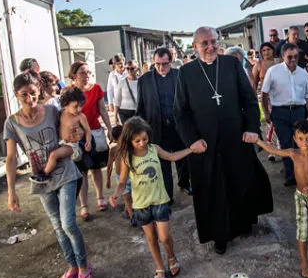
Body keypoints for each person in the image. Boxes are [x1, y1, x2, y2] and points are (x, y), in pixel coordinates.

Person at [174, 26, 273, 254]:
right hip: (205, 145)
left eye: (213, 42)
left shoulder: (231, 65)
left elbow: (249, 100)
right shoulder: (186, 73)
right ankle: (220, 235)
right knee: (213, 190)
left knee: (240, 182)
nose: (210, 47)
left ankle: (243, 224)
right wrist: (191, 141)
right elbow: (180, 113)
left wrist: (251, 128)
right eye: (204, 43)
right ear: (195, 46)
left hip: (235, 139)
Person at [4, 71, 92, 278]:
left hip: (65, 173)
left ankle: (83, 266)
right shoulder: (12, 123)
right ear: (17, 95)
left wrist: (78, 135)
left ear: (39, 91)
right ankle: (72, 266)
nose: (29, 98)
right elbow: (11, 158)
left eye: (33, 93)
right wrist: (11, 191)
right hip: (41, 181)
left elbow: (72, 129)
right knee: (57, 227)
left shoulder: (52, 111)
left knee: (68, 223)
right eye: (24, 94)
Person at [109, 117, 196, 278]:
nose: (142, 143)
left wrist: (190, 150)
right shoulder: (127, 158)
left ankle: (171, 256)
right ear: (129, 140)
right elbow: (122, 182)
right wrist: (115, 195)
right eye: (137, 140)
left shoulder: (154, 149)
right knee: (151, 238)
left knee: (164, 237)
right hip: (141, 205)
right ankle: (159, 267)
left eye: (144, 138)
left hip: (160, 201)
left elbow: (172, 157)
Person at [256, 119, 308, 278]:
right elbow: (273, 150)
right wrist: (257, 140)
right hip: (301, 198)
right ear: (295, 139)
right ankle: (304, 262)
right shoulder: (292, 154)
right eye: (301, 138)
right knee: (302, 232)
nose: (305, 142)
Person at [136, 47, 192, 200]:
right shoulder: (144, 80)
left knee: (183, 158)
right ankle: (167, 194)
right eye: (157, 64)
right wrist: (140, 129)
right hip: (157, 129)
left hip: (179, 127)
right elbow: (140, 107)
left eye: (165, 64)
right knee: (162, 164)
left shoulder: (180, 75)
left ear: (171, 61)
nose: (161, 67)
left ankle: (184, 183)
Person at [261, 43, 308, 186]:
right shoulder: (273, 71)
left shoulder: (303, 73)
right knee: (286, 144)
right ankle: (291, 174)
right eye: (289, 57)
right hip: (280, 112)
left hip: (298, 111)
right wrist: (266, 112)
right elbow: (264, 93)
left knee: (301, 144)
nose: (293, 59)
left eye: (295, 56)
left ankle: (302, 173)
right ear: (282, 57)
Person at [67, 62, 112, 220]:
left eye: (88, 72)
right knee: (82, 171)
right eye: (82, 73)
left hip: (94, 133)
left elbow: (102, 110)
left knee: (96, 168)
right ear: (74, 76)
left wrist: (110, 128)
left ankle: (100, 197)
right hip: (77, 137)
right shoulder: (68, 92)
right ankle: (84, 205)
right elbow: (65, 115)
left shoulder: (96, 89)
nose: (86, 76)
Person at [252, 42, 281, 162]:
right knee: (270, 124)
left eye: (268, 49)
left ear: (273, 50)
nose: (266, 52)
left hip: (280, 96)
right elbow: (253, 82)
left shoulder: (279, 62)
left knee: (280, 122)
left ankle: (281, 146)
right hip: (266, 98)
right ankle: (272, 150)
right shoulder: (258, 64)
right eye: (263, 50)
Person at [106, 125, 136, 226]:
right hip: (121, 178)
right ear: (115, 139)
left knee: (134, 196)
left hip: (132, 176)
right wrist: (108, 179)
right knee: (127, 198)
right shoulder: (113, 150)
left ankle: (130, 211)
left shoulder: (130, 148)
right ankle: (133, 218)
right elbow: (109, 165)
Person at [58, 87, 93, 169]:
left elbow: (87, 130)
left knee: (79, 170)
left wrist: (88, 141)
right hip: (61, 143)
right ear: (66, 105)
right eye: (75, 106)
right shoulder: (60, 113)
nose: (79, 109)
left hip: (73, 146)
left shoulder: (80, 116)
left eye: (81, 106)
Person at [114, 59, 139, 124]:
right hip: (125, 112)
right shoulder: (122, 82)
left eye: (132, 68)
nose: (129, 70)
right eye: (127, 68)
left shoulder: (141, 82)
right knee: (128, 132)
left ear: (137, 68)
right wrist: (115, 116)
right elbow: (117, 100)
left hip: (138, 111)